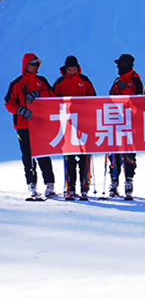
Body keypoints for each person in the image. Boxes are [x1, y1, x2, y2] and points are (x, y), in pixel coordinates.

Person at [5, 53, 56, 200]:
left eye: (36, 64)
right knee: (27, 155)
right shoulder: (17, 83)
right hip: (23, 125)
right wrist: (21, 110)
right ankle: (32, 184)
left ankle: (49, 183)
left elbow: (52, 94)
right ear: (26, 65)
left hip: (40, 124)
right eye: (32, 64)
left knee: (43, 154)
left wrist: (36, 94)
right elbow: (9, 103)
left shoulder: (42, 81)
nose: (35, 66)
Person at [52, 55, 97, 200]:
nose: (71, 71)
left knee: (84, 158)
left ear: (77, 68)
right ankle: (70, 188)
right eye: (69, 69)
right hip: (67, 126)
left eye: (74, 69)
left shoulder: (84, 80)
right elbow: (52, 102)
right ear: (65, 69)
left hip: (83, 125)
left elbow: (93, 97)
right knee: (69, 158)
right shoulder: (59, 82)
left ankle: (84, 188)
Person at [108, 54, 143, 199]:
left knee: (129, 154)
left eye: (120, 64)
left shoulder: (135, 80)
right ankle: (114, 182)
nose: (118, 67)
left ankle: (129, 181)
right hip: (116, 122)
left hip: (130, 123)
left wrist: (125, 90)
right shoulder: (117, 80)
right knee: (114, 154)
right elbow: (110, 98)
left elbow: (139, 100)